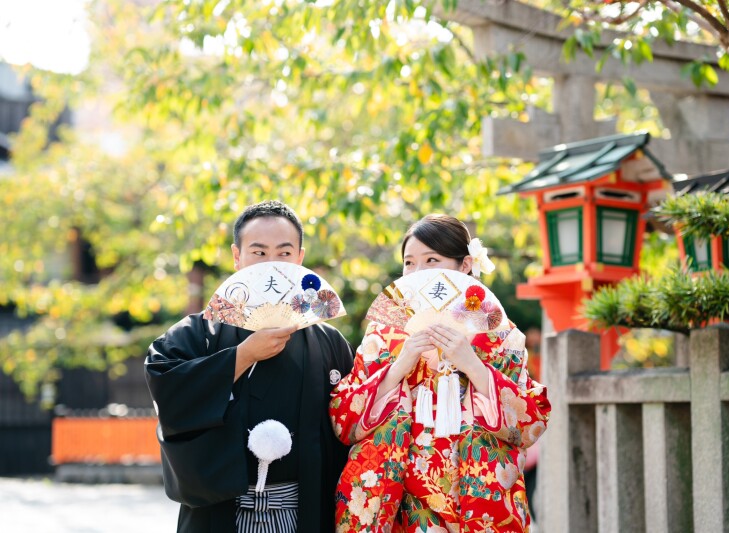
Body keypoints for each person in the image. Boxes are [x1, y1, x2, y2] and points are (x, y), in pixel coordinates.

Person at [329, 214, 551, 532]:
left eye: (431, 260)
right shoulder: (384, 334)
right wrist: (399, 366)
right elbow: (343, 419)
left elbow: (530, 423)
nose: (417, 273)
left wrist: (472, 364)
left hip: (474, 493)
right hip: (403, 496)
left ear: (464, 266)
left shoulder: (499, 333)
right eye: (409, 263)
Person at [146, 200, 354, 533]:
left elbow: (353, 423)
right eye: (258, 252)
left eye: (284, 253)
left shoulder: (328, 342)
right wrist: (242, 356)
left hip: (304, 512)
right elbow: (166, 386)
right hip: (222, 511)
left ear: (300, 258)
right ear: (237, 256)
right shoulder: (198, 333)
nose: (271, 264)